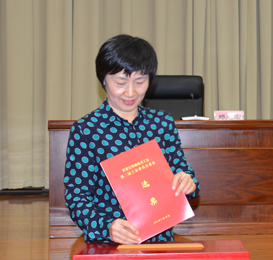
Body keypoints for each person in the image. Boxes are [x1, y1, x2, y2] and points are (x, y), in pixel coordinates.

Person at [63, 34, 200, 245]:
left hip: (159, 241)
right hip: (110, 243)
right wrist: (106, 227)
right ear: (103, 80)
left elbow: (183, 174)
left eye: (140, 82)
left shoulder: (162, 123)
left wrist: (188, 182)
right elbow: (77, 197)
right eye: (120, 82)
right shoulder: (86, 130)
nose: (130, 92)